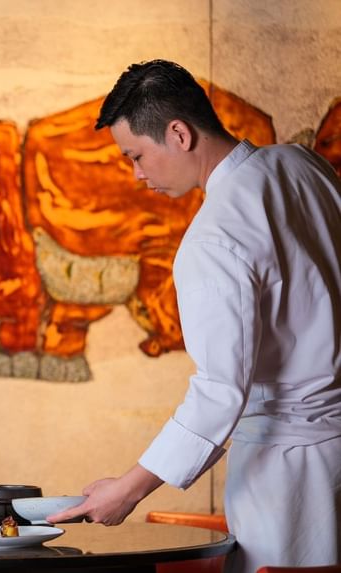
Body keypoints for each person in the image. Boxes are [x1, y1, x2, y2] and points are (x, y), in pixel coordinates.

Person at [47, 59, 341, 572]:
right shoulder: (302, 165)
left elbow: (220, 391)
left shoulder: (213, 239)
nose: (137, 175)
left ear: (179, 134)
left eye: (136, 155)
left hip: (288, 475)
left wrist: (128, 489)